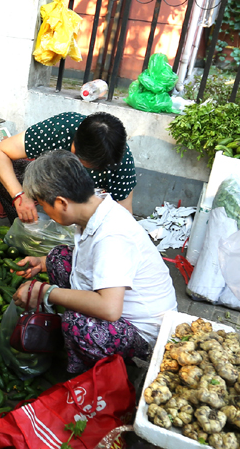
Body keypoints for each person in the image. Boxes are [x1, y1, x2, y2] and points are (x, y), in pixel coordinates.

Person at [11, 150, 176, 373]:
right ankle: (79, 347)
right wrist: (43, 262)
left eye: (43, 205)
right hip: (119, 304)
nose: (45, 213)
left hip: (143, 331)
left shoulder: (112, 236)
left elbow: (110, 310)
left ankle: (94, 371)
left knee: (77, 325)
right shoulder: (94, 209)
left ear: (61, 203)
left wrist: (45, 292)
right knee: (57, 258)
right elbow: (86, 256)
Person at [0, 111, 136, 223]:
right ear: (74, 145)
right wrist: (19, 195)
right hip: (51, 182)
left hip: (86, 208)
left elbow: (123, 215)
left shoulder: (121, 161)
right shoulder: (62, 128)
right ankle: (26, 226)